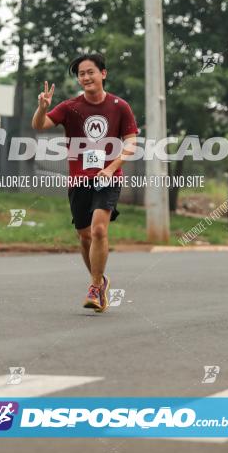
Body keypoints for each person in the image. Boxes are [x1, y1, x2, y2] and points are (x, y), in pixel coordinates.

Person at [31, 53, 138, 312]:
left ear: (103, 73)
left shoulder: (119, 106)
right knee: (84, 236)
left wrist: (112, 168)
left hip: (108, 179)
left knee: (100, 230)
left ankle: (93, 287)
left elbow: (131, 142)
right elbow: (39, 125)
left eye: (91, 72)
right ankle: (101, 282)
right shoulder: (70, 107)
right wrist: (43, 107)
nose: (86, 77)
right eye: (81, 74)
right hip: (79, 180)